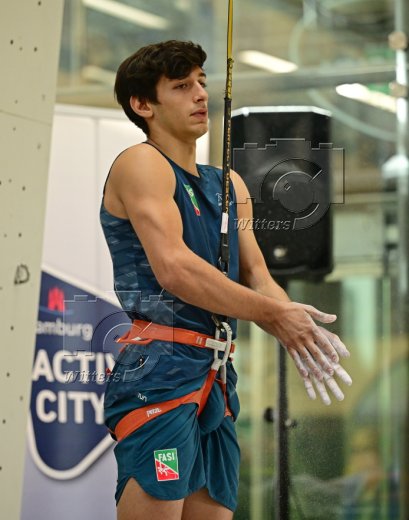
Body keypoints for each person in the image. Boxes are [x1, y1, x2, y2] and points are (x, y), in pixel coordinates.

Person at [100, 40, 351, 520]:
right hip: (160, 371)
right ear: (143, 104)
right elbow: (174, 268)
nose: (200, 94)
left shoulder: (230, 183)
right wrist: (275, 314)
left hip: (215, 374)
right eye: (181, 86)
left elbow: (257, 274)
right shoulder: (141, 163)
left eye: (201, 82)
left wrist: (297, 327)